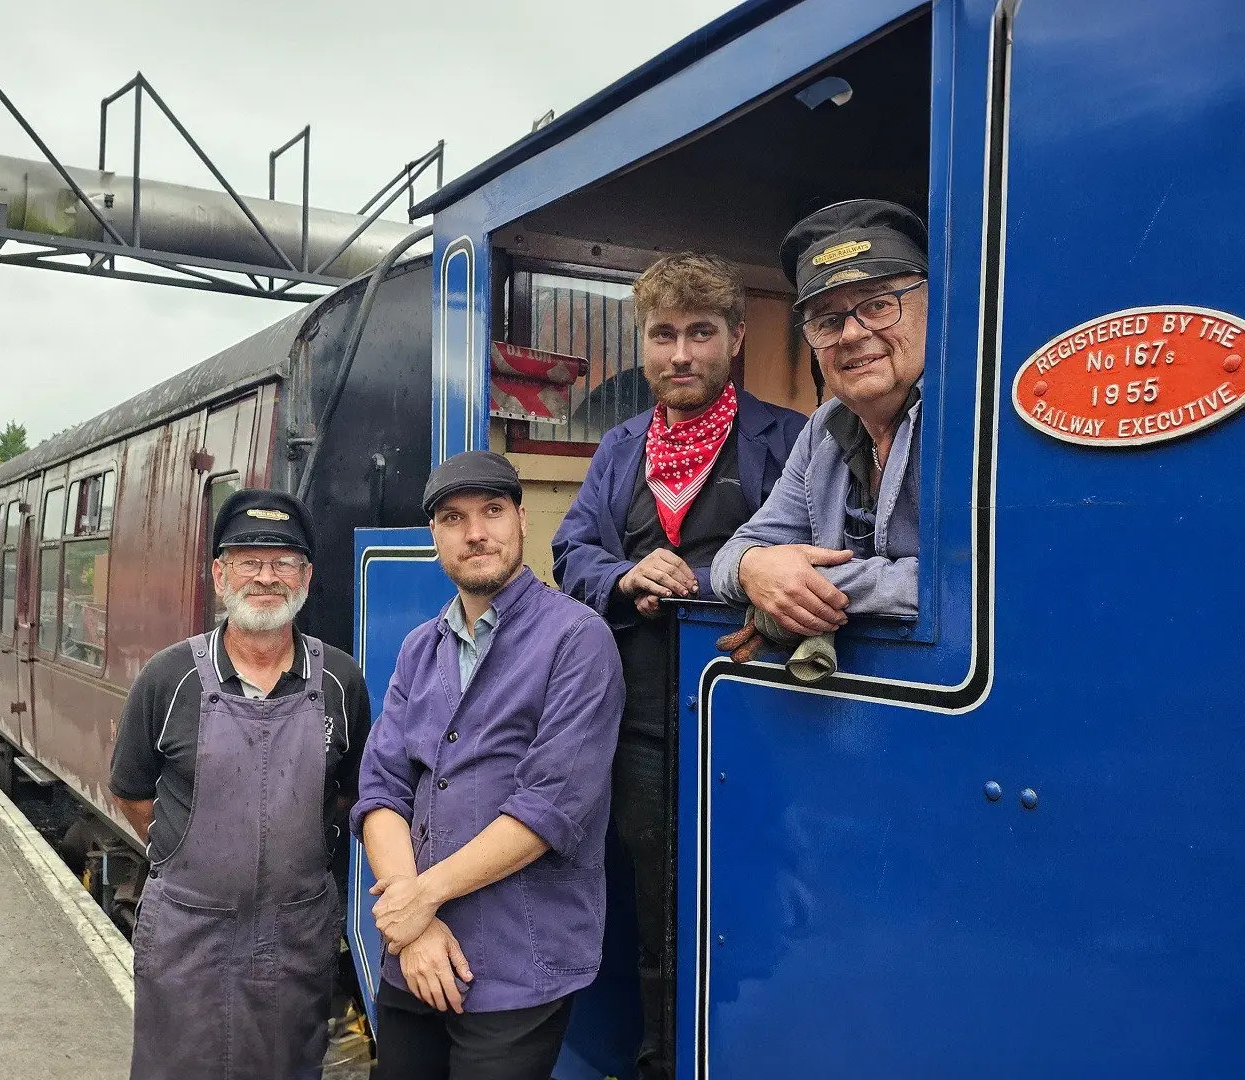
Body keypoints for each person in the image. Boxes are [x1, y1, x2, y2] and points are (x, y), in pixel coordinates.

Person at [547, 252, 805, 1079]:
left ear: (736, 338)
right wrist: (622, 576)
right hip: (638, 727)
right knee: (656, 908)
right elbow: (570, 550)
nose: (681, 353)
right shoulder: (618, 449)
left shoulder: (792, 440)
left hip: (756, 719)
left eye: (701, 333)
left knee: (751, 898)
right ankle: (665, 1057)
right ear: (644, 343)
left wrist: (726, 583)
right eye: (664, 335)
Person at [354, 451, 622, 1080]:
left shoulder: (577, 639)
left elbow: (549, 807)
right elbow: (381, 788)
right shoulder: (423, 647)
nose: (475, 533)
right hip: (416, 954)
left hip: (519, 961)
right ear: (435, 538)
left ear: (522, 520)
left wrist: (421, 898)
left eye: (492, 512)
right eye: (454, 518)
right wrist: (413, 922)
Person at [108, 489, 371, 1080]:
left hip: (295, 940)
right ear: (221, 575)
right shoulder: (168, 677)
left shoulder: (340, 681)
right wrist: (186, 855)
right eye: (249, 561)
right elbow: (131, 793)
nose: (266, 577)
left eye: (282, 563)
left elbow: (350, 794)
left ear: (305, 577)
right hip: (187, 940)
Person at [711, 200, 927, 655]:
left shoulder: (969, 422)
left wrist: (793, 589)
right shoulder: (824, 429)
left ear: (932, 306)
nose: (851, 334)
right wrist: (754, 569)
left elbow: (974, 580)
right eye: (828, 320)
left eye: (879, 305)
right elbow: (738, 553)